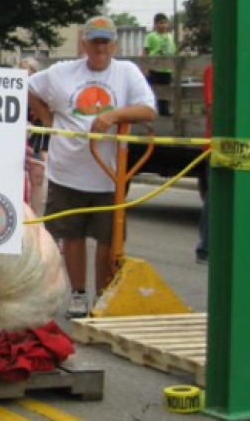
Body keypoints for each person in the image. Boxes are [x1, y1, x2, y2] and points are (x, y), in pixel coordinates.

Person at [28, 16, 156, 318]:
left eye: (106, 41)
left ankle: (102, 297)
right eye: (95, 41)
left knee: (108, 239)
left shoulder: (127, 73)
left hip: (110, 173)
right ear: (84, 43)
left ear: (115, 44)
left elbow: (148, 110)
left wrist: (114, 116)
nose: (100, 47)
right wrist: (49, 121)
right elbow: (30, 88)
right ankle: (77, 294)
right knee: (71, 236)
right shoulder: (62, 72)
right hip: (68, 169)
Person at [194, 63, 250, 266]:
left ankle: (207, 248)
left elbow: (249, 105)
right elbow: (214, 109)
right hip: (224, 144)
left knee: (227, 196)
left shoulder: (246, 72)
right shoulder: (217, 69)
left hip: (243, 143)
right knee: (229, 196)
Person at [18, 57, 49, 215]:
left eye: (29, 70)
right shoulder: (14, 93)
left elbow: (45, 121)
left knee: (37, 177)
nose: (25, 73)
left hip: (35, 140)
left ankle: (36, 217)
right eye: (22, 68)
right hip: (18, 141)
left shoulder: (40, 96)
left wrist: (44, 149)